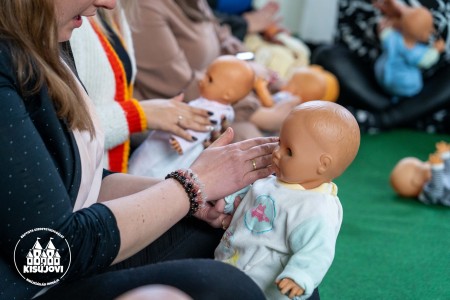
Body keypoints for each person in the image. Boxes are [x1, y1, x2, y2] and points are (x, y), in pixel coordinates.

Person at [0, 0, 279, 299]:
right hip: (34, 285)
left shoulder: (47, 43)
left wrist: (194, 196)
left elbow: (81, 184)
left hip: (73, 250)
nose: (108, 3)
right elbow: (48, 257)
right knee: (225, 285)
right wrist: (189, 187)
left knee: (251, 238)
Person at [214, 101, 361, 299]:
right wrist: (229, 200)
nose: (277, 152)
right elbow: (250, 196)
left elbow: (317, 251)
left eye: (289, 151)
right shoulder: (271, 181)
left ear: (322, 165)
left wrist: (299, 276)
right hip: (229, 262)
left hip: (263, 287)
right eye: (279, 143)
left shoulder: (316, 210)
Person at [70, 1, 215, 173]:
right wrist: (141, 115)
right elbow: (68, 135)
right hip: (86, 182)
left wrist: (168, 122)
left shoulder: (118, 10)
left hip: (110, 175)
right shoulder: (72, 21)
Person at [132, 0, 300, 142]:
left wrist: (263, 75)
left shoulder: (195, 3)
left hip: (221, 100)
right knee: (259, 143)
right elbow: (182, 83)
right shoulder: (145, 8)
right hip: (179, 115)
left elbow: (225, 40)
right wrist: (258, 113)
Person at [312, 0, 450, 134]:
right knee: (325, 54)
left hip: (431, 90)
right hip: (373, 83)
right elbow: (347, 40)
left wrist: (406, 18)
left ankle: (385, 119)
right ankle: (412, 116)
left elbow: (441, 47)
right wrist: (390, 23)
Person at [128, 55, 255, 178]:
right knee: (147, 156)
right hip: (174, 136)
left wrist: (182, 142)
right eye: (205, 73)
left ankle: (136, 179)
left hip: (180, 143)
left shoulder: (216, 112)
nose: (202, 79)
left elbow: (201, 128)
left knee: (153, 164)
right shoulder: (211, 105)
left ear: (227, 94)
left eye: (209, 79)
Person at [374, 3, 445, 99]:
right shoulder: (415, 52)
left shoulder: (393, 37)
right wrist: (436, 50)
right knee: (415, 86)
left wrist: (394, 21)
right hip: (401, 82)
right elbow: (426, 61)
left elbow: (383, 32)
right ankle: (397, 97)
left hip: (381, 73)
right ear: (423, 36)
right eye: (430, 29)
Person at [390, 141, 450, 206]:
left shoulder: (442, 172)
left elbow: (447, 171)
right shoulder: (429, 192)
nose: (428, 162)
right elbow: (438, 189)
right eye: (421, 166)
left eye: (423, 162)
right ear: (417, 181)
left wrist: (446, 155)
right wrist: (437, 169)